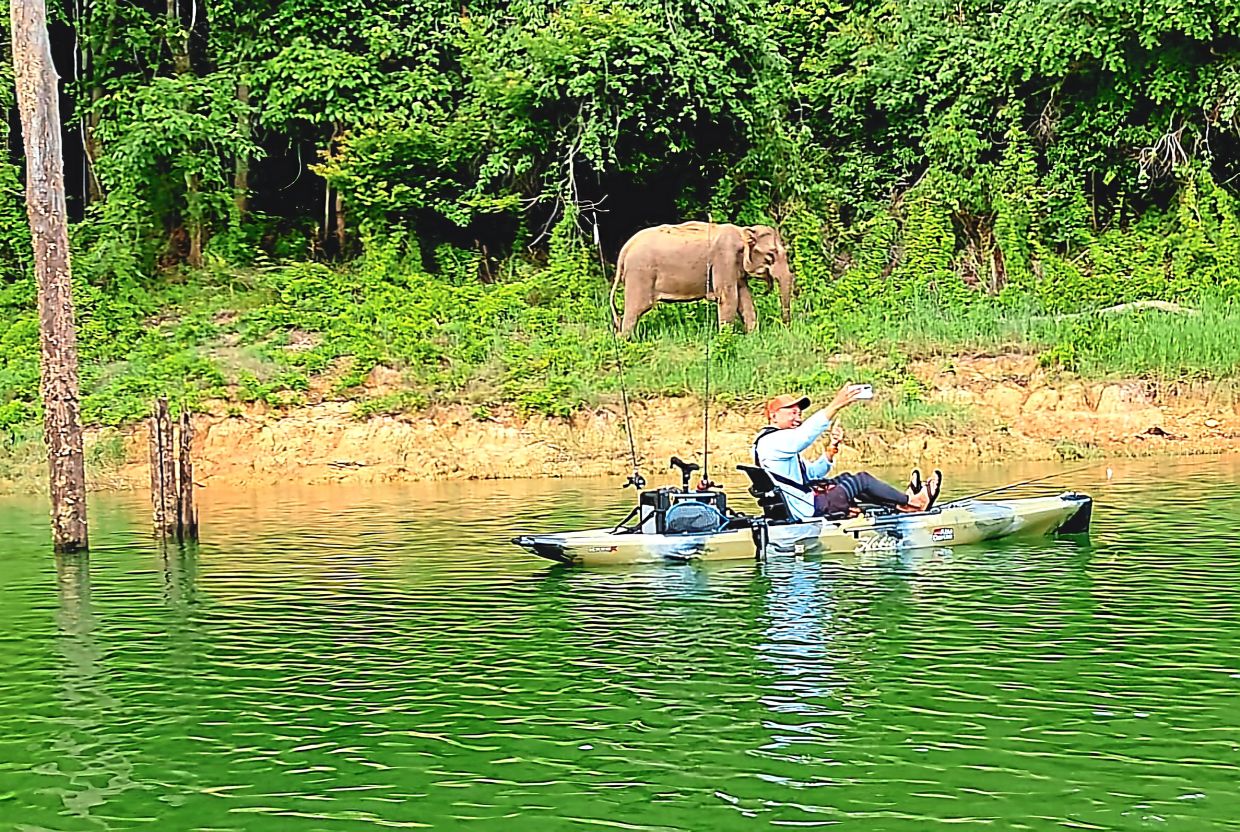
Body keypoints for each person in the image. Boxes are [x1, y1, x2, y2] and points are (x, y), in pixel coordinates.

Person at [753, 384, 941, 520]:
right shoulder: (772, 441)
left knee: (845, 478)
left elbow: (810, 474)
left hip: (802, 502)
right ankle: (914, 502)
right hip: (806, 508)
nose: (798, 417)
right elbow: (802, 438)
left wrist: (832, 448)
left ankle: (901, 504)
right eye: (791, 413)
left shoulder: (778, 442)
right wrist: (836, 404)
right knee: (862, 480)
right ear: (773, 416)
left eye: (799, 413)